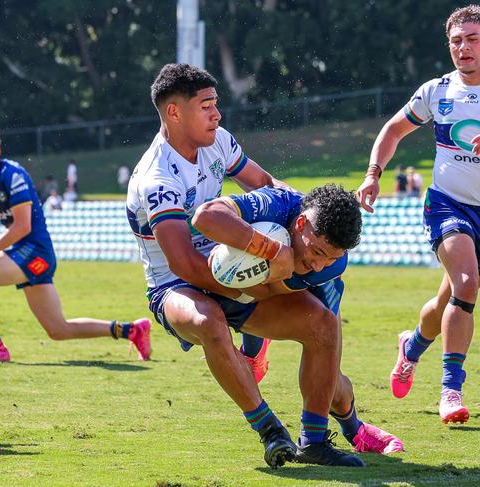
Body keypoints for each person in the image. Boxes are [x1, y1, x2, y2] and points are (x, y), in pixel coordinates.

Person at [128, 63, 364, 468]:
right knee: (209, 323)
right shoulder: (157, 178)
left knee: (324, 325)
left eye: (216, 104)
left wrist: (308, 219)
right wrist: (262, 275)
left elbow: (265, 184)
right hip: (175, 286)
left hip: (233, 263)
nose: (217, 114)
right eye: (206, 106)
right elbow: (184, 263)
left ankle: (314, 441)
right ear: (174, 112)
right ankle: (270, 429)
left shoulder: (218, 141)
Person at [356, 5, 480, 424]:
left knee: (450, 299)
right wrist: (374, 174)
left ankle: (410, 348)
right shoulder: (436, 91)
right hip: (445, 203)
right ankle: (451, 390)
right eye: (455, 41)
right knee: (465, 284)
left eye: (472, 39)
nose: (462, 48)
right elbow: (392, 130)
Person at [193, 183, 404, 456]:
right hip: (245, 291)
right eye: (317, 252)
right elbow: (206, 216)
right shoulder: (276, 204)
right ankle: (255, 354)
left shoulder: (331, 267)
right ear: (301, 223)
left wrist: (284, 265)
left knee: (333, 386)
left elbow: (267, 292)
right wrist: (269, 250)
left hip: (295, 296)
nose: (319, 264)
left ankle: (353, 431)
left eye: (331, 258)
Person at [0, 123, 152, 363]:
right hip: (21, 253)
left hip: (36, 253)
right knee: (59, 330)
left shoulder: (12, 175)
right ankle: (131, 330)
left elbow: (22, 227)